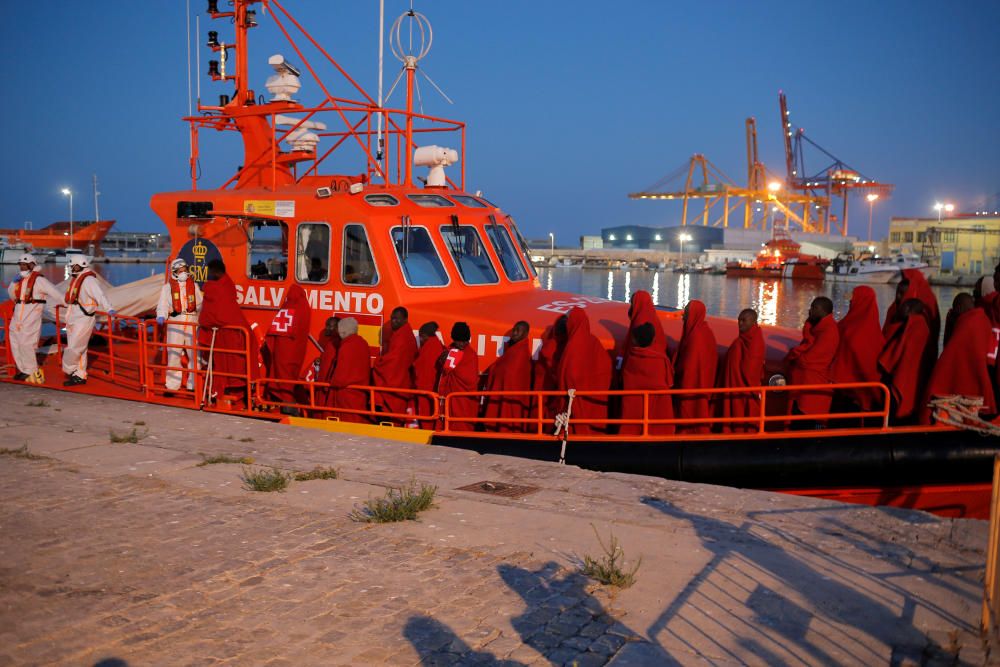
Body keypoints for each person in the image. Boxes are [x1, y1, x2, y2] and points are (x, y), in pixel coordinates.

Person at [921, 305, 996, 424]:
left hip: (961, 408)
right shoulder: (983, 322)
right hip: (982, 405)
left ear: (960, 311)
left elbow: (940, 379)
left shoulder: (966, 328)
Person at [198, 259, 259, 404]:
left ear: (214, 271)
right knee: (236, 362)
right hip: (236, 331)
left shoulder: (214, 288)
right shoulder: (229, 285)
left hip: (225, 334)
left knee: (224, 363)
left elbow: (213, 314)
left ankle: (222, 389)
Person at [6, 253, 63, 384]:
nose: (22, 267)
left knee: (27, 343)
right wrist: (12, 283)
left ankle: (30, 370)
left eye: (24, 265)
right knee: (15, 341)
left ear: (32, 265)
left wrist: (68, 304)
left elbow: (56, 293)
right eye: (20, 265)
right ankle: (23, 368)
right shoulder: (19, 280)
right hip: (18, 314)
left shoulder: (40, 280)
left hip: (32, 313)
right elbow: (12, 295)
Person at [556, 307, 612, 435]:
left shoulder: (571, 348)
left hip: (576, 405)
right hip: (595, 403)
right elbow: (606, 368)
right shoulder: (595, 342)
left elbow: (566, 375)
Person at [830, 286, 885, 416]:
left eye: (853, 300)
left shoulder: (855, 327)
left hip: (850, 390)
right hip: (853, 389)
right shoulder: (871, 327)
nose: (850, 303)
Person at [784, 297, 839, 424]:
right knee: (798, 416)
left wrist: (797, 357)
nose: (810, 310)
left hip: (814, 383)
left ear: (824, 311)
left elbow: (812, 359)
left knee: (808, 419)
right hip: (804, 382)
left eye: (814, 308)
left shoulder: (829, 330)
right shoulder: (817, 328)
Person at [62, 254, 114, 386]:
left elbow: (100, 295)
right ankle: (79, 375)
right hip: (73, 316)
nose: (72, 267)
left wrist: (109, 309)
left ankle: (69, 368)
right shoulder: (76, 279)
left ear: (81, 265)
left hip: (84, 318)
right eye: (71, 265)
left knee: (74, 347)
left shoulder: (89, 280)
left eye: (74, 265)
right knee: (81, 348)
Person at [878, 299, 933, 424]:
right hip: (905, 377)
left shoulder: (915, 327)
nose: (900, 309)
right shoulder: (916, 325)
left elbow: (901, 354)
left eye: (904, 306)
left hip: (903, 377)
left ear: (909, 310)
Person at [262, 284, 312, 413]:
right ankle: (288, 401)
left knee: (279, 372)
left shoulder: (287, 307)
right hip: (295, 348)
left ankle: (284, 401)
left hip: (281, 348)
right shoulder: (304, 307)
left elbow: (273, 332)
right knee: (291, 373)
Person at [155, 258, 202, 392]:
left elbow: (200, 304)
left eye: (184, 270)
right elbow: (162, 305)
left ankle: (193, 385)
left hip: (192, 320)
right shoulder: (167, 287)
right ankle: (172, 386)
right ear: (174, 272)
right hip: (176, 322)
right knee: (174, 354)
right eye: (180, 271)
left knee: (195, 354)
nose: (183, 273)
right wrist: (161, 316)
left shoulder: (194, 285)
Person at [620, 322, 674, 435]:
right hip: (659, 412)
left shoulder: (631, 358)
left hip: (633, 410)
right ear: (653, 340)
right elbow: (669, 382)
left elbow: (626, 379)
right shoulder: (661, 360)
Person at [672, 300, 718, 434]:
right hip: (703, 385)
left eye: (686, 313)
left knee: (691, 410)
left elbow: (689, 367)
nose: (683, 317)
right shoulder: (705, 332)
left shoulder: (695, 337)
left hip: (692, 387)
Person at [720, 308, 765, 433]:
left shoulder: (755, 341)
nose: (740, 323)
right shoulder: (740, 340)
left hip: (745, 390)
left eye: (744, 320)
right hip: (734, 387)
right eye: (739, 320)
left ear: (754, 322)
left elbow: (751, 372)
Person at [483, 321, 533, 433]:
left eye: (518, 331)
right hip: (504, 395)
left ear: (525, 333)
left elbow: (510, 374)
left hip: (512, 399)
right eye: (514, 330)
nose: (514, 333)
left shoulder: (522, 353)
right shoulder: (512, 350)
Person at [372, 306, 418, 423]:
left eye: (397, 319)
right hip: (401, 382)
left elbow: (392, 364)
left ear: (405, 320)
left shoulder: (402, 337)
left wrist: (378, 362)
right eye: (392, 318)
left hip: (397, 384)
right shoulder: (403, 334)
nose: (393, 321)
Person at [437, 322, 480, 431]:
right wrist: (442, 361)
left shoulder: (471, 355)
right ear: (453, 338)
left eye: (464, 341)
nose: (461, 344)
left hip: (463, 401)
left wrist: (452, 366)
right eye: (458, 341)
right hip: (448, 398)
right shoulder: (448, 350)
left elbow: (471, 381)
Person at [327, 317, 371, 423]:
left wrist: (331, 382)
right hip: (361, 393)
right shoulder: (364, 343)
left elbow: (341, 376)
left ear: (343, 331)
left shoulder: (346, 346)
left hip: (346, 395)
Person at [620, 290, 665, 368]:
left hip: (642, 363)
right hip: (658, 363)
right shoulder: (654, 318)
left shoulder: (639, 321)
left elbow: (634, 346)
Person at [412, 321, 446, 425]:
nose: (420, 340)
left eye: (421, 337)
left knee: (426, 417)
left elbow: (419, 367)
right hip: (433, 389)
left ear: (426, 336)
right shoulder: (437, 344)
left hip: (426, 389)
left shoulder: (429, 347)